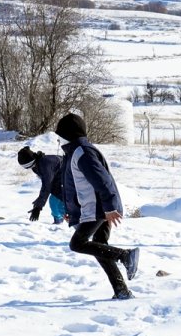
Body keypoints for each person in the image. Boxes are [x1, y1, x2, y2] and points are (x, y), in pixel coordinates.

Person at [55, 112, 139, 300]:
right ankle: (122, 291)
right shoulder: (74, 152)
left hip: (98, 208)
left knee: (78, 244)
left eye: (60, 134)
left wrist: (109, 207)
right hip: (94, 208)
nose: (58, 138)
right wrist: (72, 211)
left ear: (68, 133)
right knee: (100, 248)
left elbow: (102, 181)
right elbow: (73, 185)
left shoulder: (82, 152)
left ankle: (126, 256)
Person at [17, 146, 65, 224]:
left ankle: (72, 221)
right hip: (59, 182)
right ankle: (58, 222)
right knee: (54, 201)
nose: (29, 168)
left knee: (59, 203)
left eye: (27, 166)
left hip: (70, 181)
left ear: (31, 162)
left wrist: (38, 207)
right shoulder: (37, 164)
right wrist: (38, 204)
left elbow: (47, 186)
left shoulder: (45, 164)